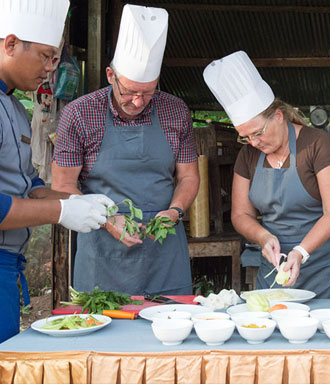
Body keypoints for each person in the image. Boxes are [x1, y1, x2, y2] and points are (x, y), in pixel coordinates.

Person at [52, 4, 199, 296]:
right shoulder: (79, 114)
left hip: (164, 250)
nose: (137, 101)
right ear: (110, 75)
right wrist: (107, 220)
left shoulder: (176, 111)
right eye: (129, 91)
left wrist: (174, 210)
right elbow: (62, 185)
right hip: (101, 251)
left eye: (148, 92)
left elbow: (189, 177)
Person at [0, 0, 114, 343]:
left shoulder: (15, 108)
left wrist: (79, 200)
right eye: (45, 56)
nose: (51, 68)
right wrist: (62, 210)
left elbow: (29, 185)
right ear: (10, 44)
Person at [203, 51, 330, 298]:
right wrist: (263, 237)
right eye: (245, 137)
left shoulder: (318, 145)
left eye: (258, 133)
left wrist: (301, 252)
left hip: (328, 262)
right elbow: (240, 214)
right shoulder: (248, 155)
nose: (253, 142)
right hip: (277, 263)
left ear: (278, 117)